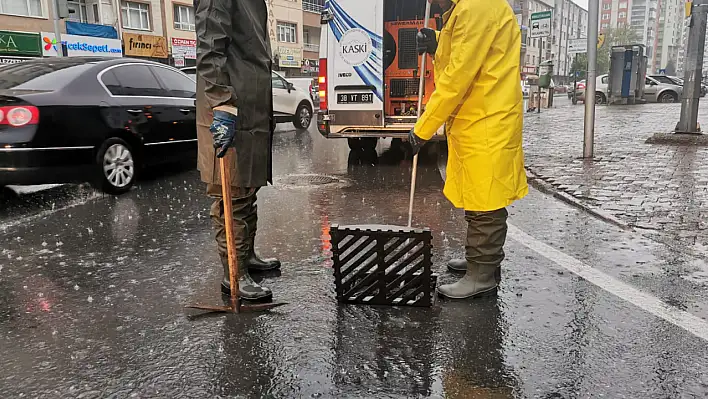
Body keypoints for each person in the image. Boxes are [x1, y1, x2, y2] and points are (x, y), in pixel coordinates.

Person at [410, 0, 528, 299]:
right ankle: (481, 260)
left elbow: (457, 76)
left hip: (487, 117)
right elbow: (466, 51)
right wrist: (437, 41)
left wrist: (423, 127)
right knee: (477, 193)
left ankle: (483, 274)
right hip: (477, 116)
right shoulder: (465, 8)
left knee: (486, 198)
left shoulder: (477, 6)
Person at [195, 0, 280, 301]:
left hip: (249, 106)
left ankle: (246, 257)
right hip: (230, 107)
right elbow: (209, 48)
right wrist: (220, 101)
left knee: (247, 188)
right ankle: (234, 272)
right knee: (231, 193)